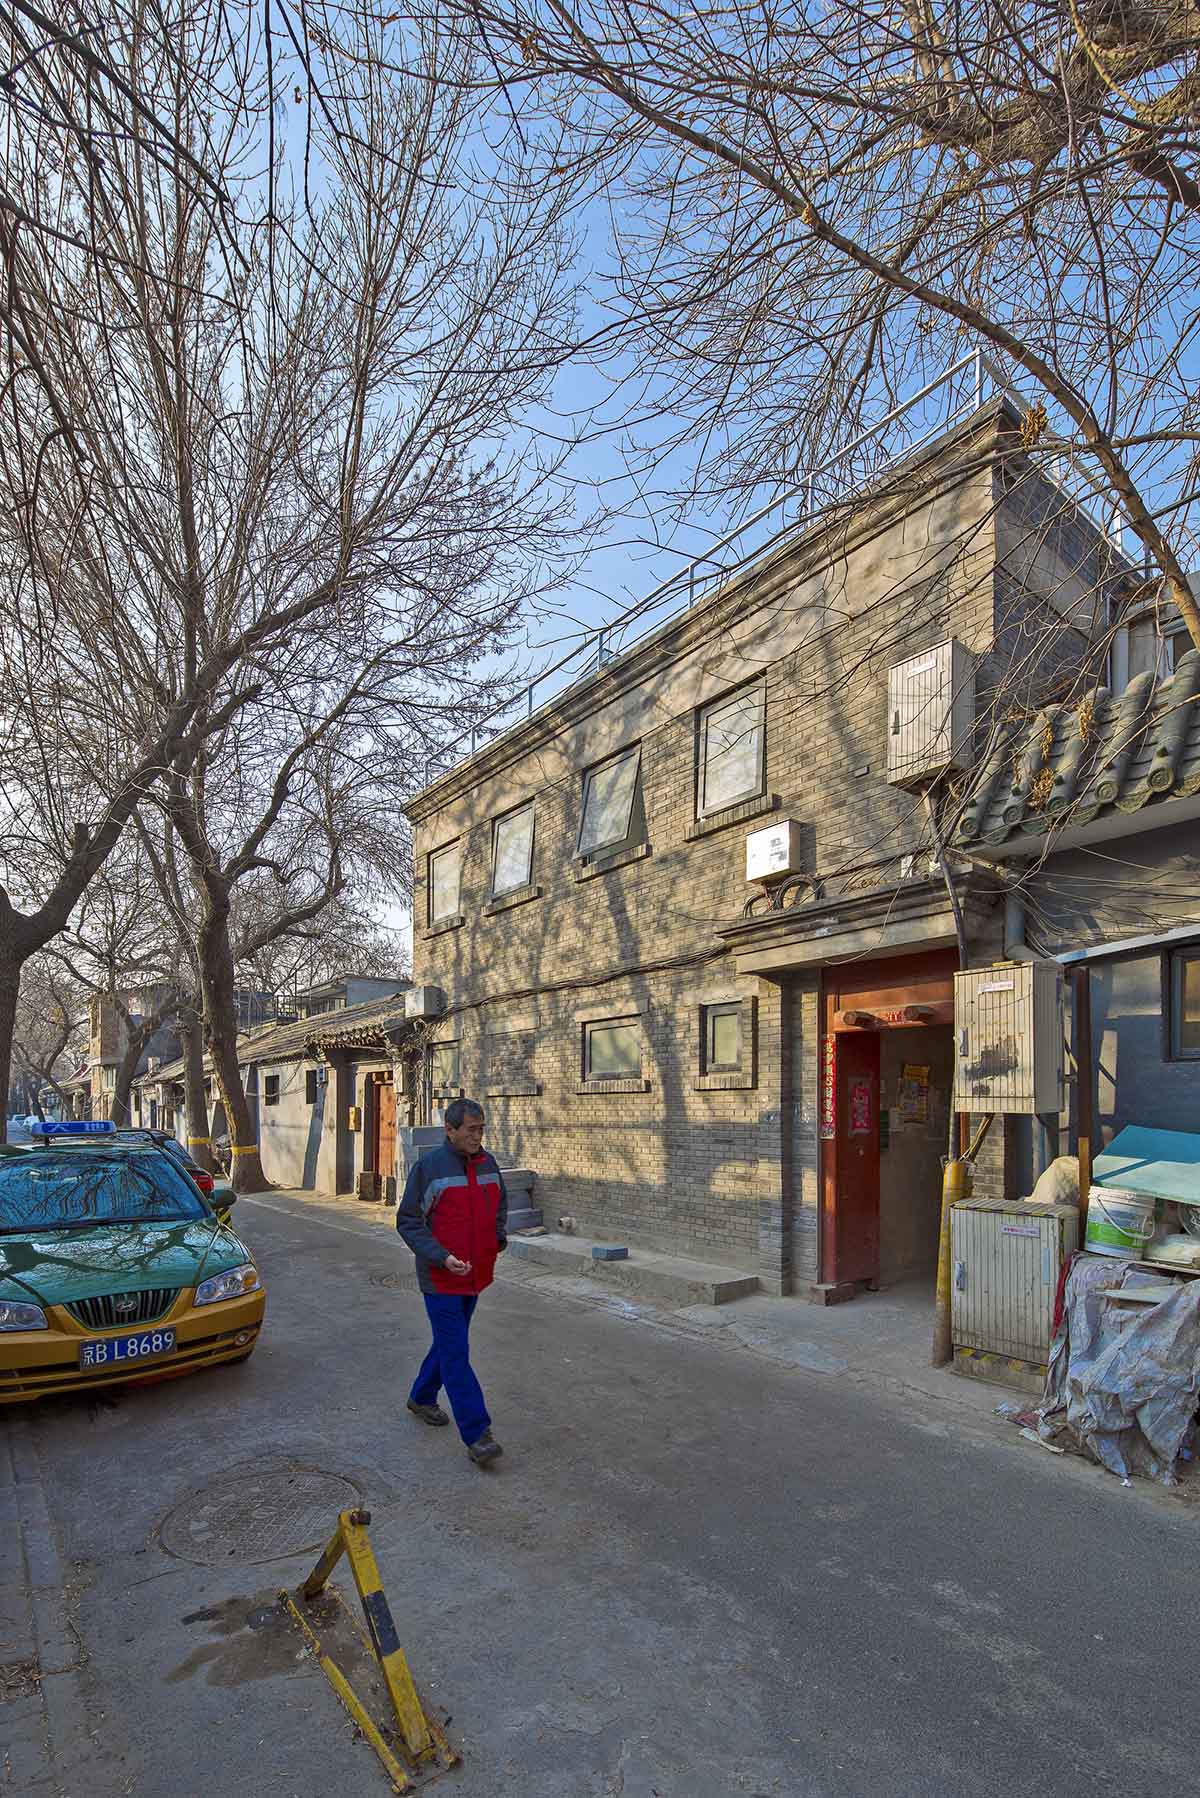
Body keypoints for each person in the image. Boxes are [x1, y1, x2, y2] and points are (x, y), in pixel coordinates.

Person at [396, 1097, 508, 1466]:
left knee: (448, 1344)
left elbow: (499, 1207)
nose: (478, 1136)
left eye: (481, 1129)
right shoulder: (429, 1168)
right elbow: (409, 1221)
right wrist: (441, 1256)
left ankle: (421, 1396)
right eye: (471, 1130)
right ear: (450, 1130)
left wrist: (497, 1239)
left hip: (476, 1275)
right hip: (440, 1278)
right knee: (457, 1352)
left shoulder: (488, 1164)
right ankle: (478, 1434)